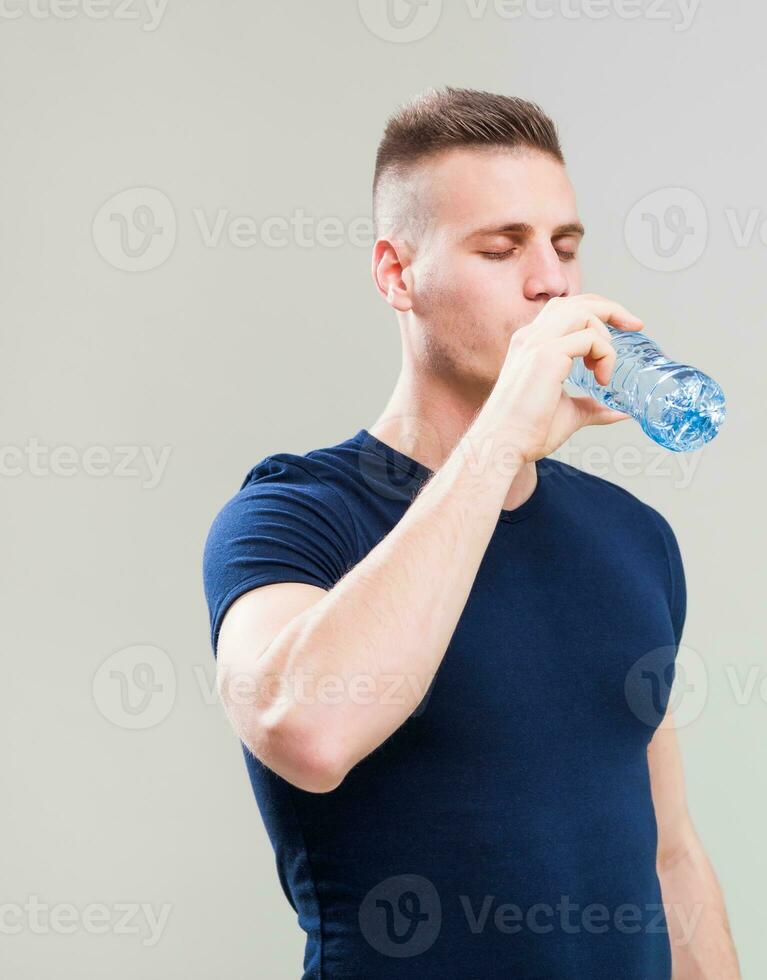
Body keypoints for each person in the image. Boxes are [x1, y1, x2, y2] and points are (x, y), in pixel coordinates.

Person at [201, 87, 739, 979]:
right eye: (502, 248)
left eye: (565, 247)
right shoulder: (294, 512)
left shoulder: (629, 534)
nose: (551, 282)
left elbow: (669, 855)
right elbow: (307, 730)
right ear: (395, 274)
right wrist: (499, 444)